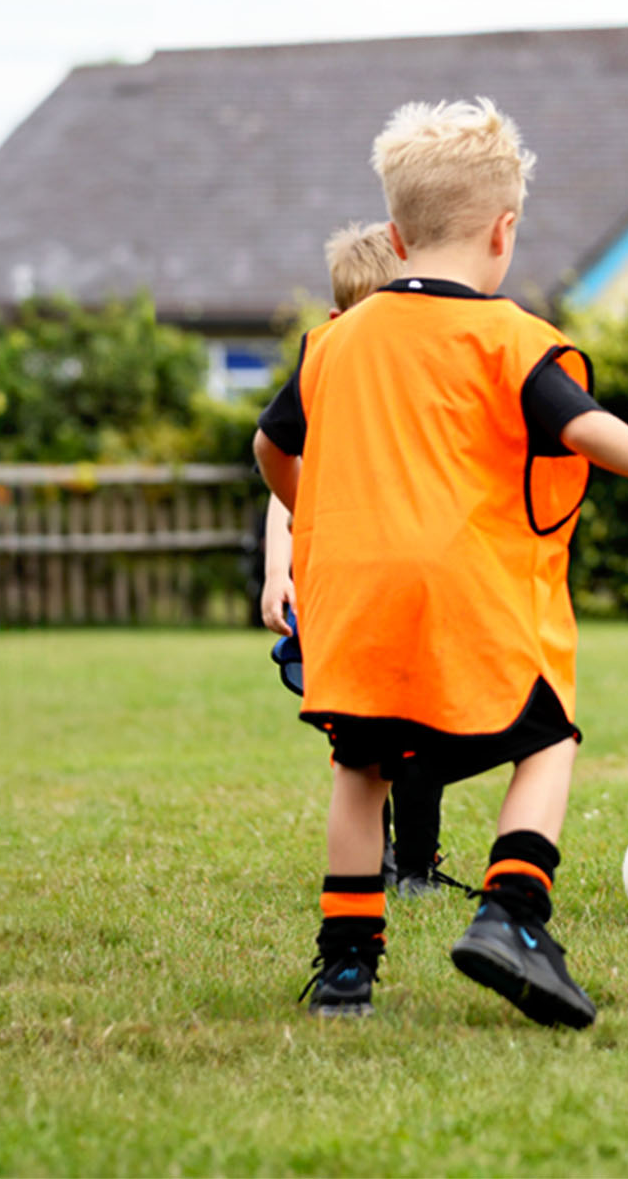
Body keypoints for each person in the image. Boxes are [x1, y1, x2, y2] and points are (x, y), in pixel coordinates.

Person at [255, 99, 628, 1024]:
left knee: (360, 769)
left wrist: (309, 508)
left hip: (353, 597)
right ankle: (513, 916)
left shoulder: (333, 344)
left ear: (395, 236)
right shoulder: (506, 337)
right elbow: (581, 427)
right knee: (545, 737)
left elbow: (272, 447)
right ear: (504, 231)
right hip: (464, 594)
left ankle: (347, 969)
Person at [262, 222, 458, 898]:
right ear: (339, 321)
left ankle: (417, 863)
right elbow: (285, 477)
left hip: (410, 594)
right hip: (345, 598)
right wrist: (277, 571)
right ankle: (368, 858)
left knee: (420, 741)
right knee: (362, 746)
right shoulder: (329, 379)